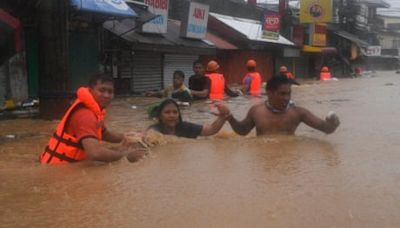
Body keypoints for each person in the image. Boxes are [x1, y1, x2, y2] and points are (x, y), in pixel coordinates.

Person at [39, 74, 146, 164]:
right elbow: (95, 153)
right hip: (60, 171)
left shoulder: (95, 112)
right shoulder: (86, 115)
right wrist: (124, 155)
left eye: (110, 92)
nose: (106, 95)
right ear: (90, 91)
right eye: (102, 90)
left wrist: (128, 137)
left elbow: (105, 134)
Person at [226, 76, 340, 136]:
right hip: (263, 161)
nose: (286, 98)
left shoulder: (298, 113)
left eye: (289, 94)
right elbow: (242, 131)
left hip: (289, 160)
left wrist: (333, 124)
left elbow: (326, 129)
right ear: (269, 93)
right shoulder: (256, 111)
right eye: (282, 94)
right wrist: (229, 117)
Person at [147, 98, 231, 138]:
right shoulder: (154, 130)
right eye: (167, 112)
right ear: (160, 116)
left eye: (175, 112)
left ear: (179, 115)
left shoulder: (186, 127)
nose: (172, 115)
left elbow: (211, 130)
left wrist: (223, 115)